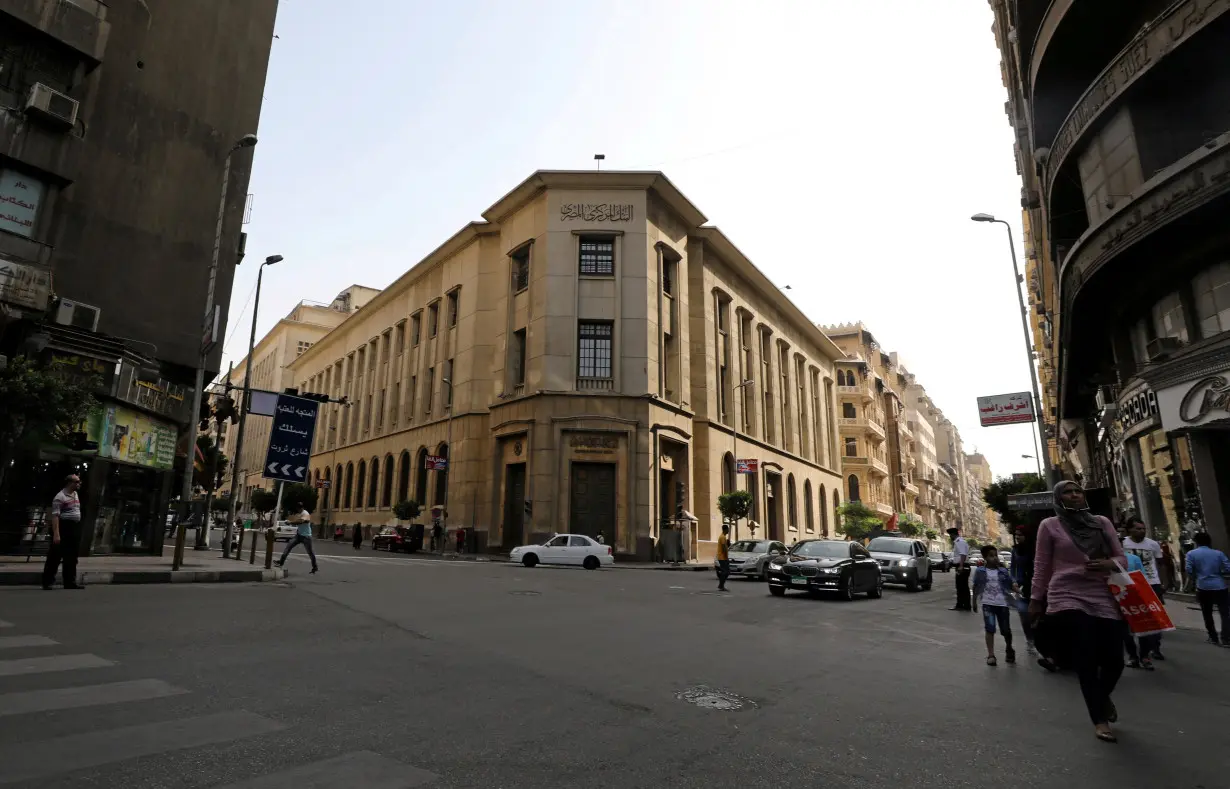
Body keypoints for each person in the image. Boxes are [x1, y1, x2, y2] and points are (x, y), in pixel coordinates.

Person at [1030, 481, 1126, 743]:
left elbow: (1122, 558)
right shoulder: (1049, 526)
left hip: (1103, 592)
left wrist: (1108, 563)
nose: (1074, 495)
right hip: (1067, 594)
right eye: (1067, 492)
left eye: (1077, 491)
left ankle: (1101, 696)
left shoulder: (1101, 522)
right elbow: (1042, 565)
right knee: (1086, 657)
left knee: (1115, 660)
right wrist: (1036, 599)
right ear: (1059, 498)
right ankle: (1100, 721)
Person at [1121, 516, 1166, 661]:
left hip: (1151, 583)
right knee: (1128, 619)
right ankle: (1133, 655)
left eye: (1143, 529)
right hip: (1128, 584)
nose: (1141, 531)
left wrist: (1164, 582)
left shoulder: (1153, 544)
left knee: (1153, 618)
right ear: (1129, 530)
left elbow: (1160, 563)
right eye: (1137, 529)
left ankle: (1154, 648)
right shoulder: (1123, 544)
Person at [974, 544, 1018, 666]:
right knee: (990, 629)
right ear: (985, 558)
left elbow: (1011, 583)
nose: (994, 558)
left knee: (1005, 630)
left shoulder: (1003, 571)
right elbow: (976, 586)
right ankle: (991, 655)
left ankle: (1009, 648)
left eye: (995, 555)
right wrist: (974, 603)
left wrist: (1015, 587)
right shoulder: (980, 571)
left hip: (1002, 604)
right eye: (991, 556)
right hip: (987, 604)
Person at [1185, 531, 1230, 646]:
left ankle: (1213, 637)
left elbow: (1189, 570)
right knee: (1225, 612)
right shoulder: (1218, 554)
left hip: (1203, 586)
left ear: (1196, 542)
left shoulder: (1191, 554)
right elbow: (1227, 568)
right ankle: (1226, 638)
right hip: (1220, 586)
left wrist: (1196, 577)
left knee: (1207, 613)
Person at [42, 474, 85, 590]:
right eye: (77, 482)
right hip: (63, 527)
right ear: (70, 483)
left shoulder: (75, 494)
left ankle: (70, 581)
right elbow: (55, 516)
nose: (79, 484)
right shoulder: (60, 497)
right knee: (55, 556)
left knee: (72, 557)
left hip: (74, 527)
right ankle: (48, 581)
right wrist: (56, 533)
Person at [1119, 551, 1152, 669]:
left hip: (1136, 597)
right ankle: (1133, 656)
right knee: (1125, 630)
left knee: (1143, 627)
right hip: (1120, 598)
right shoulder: (1108, 560)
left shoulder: (1133, 558)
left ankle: (1145, 656)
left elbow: (1142, 577)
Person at [1010, 524, 1037, 655]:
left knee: (1036, 616)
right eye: (1016, 535)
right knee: (1023, 614)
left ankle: (1039, 641)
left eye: (1020, 535)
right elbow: (1013, 568)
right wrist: (1013, 582)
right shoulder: (1015, 550)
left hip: (1036, 585)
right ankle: (1030, 640)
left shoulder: (1036, 549)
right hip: (1021, 587)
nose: (1017, 537)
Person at [276, 504, 318, 574]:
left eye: (298, 508)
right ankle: (281, 562)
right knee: (288, 547)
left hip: (306, 536)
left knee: (310, 552)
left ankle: (315, 567)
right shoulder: (300, 514)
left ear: (301, 508)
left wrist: (290, 522)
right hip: (299, 535)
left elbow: (301, 521)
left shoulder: (306, 514)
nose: (298, 510)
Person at [949, 527, 972, 611]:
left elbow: (963, 554)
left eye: (950, 535)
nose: (950, 537)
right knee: (962, 587)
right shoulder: (960, 541)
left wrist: (961, 566)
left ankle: (962, 605)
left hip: (962, 567)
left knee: (961, 587)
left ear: (953, 534)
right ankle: (964, 605)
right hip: (962, 566)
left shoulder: (960, 542)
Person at [716, 524, 731, 592]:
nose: (728, 530)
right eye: (728, 529)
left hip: (722, 557)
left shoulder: (723, 537)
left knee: (726, 571)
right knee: (726, 571)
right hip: (722, 557)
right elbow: (724, 548)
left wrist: (727, 544)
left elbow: (725, 546)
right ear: (725, 530)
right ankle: (721, 585)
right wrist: (726, 558)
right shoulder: (722, 537)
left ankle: (721, 585)